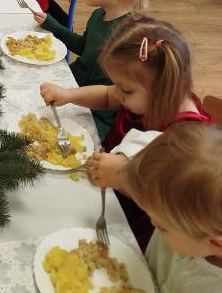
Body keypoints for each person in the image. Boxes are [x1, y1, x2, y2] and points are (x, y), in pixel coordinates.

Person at [40, 16, 211, 250]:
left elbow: (168, 200)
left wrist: (123, 178)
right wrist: (69, 95)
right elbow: (108, 95)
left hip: (138, 221)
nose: (118, 94)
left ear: (163, 90)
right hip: (106, 178)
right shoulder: (148, 96)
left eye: (126, 90)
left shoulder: (187, 141)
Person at [34, 0, 156, 141]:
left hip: (100, 113)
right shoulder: (99, 14)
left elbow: (118, 95)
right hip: (76, 85)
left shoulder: (130, 35)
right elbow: (84, 47)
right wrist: (52, 25)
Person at [122, 123, 222, 293]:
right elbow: (150, 143)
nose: (152, 224)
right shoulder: (190, 225)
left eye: (162, 227)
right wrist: (122, 166)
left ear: (215, 243)